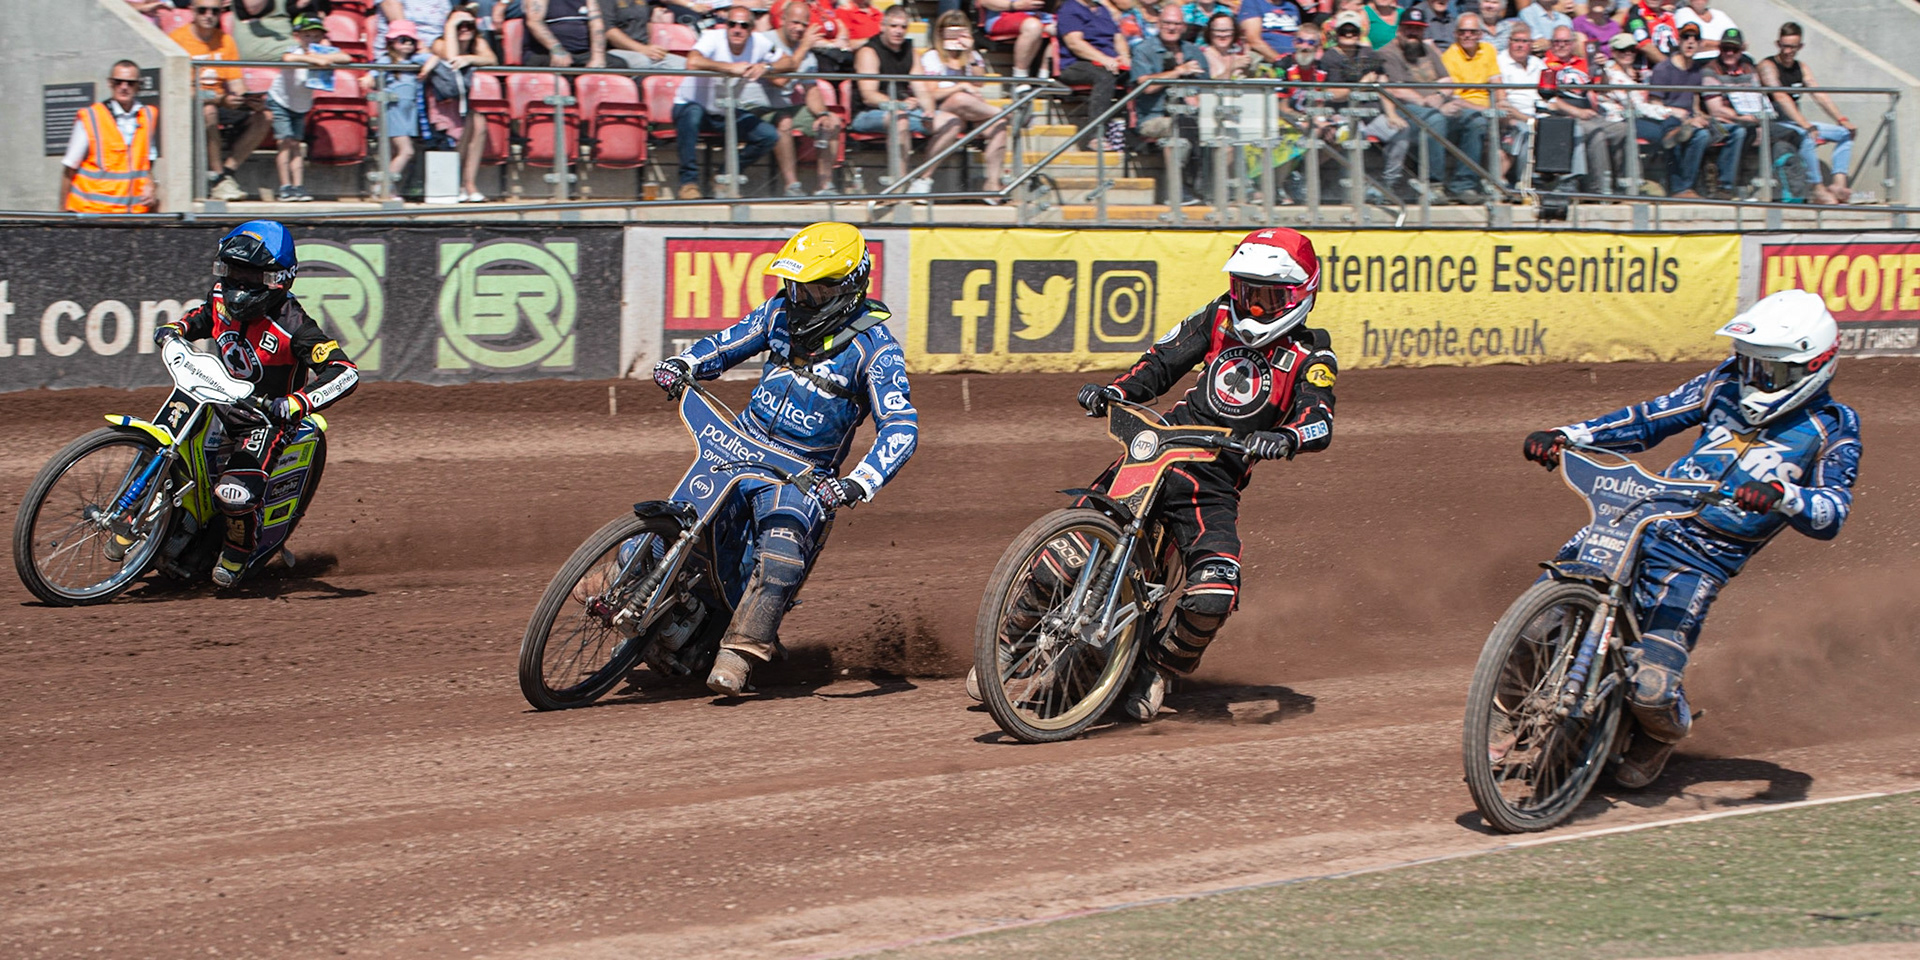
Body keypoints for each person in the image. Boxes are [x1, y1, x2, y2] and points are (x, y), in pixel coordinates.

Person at [1521, 288, 1859, 787]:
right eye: (1748, 363)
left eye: (1768, 370)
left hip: (1700, 558)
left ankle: (1661, 733)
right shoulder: (1722, 383)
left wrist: (1783, 496)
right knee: (1535, 624)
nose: (1752, 378)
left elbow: (1832, 510)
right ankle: (1518, 716)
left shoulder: (1833, 427)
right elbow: (1650, 417)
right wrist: (1569, 435)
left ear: (1813, 366)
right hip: (1640, 512)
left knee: (1651, 688)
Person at [1057, 228, 1337, 720]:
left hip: (1213, 481)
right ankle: (1009, 642)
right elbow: (1162, 361)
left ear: (1299, 296)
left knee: (1215, 590)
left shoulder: (1313, 353)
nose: (1253, 304)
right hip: (1156, 448)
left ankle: (1157, 669)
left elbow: (1319, 418)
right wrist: (1117, 392)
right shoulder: (1219, 315)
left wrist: (1286, 437)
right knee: (1063, 548)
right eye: (1246, 290)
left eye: (1268, 295)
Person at [650, 222, 918, 697]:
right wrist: (685, 363)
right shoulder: (778, 313)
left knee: (781, 551)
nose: (799, 300)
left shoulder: (877, 352)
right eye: (794, 286)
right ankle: (624, 588)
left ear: (847, 288)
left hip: (800, 475)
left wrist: (859, 482)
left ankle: (741, 651)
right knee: (669, 527)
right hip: (738, 444)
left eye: (812, 290)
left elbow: (901, 428)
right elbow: (728, 341)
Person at [150, 221, 361, 587]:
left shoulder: (295, 326)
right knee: (164, 448)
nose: (238, 284)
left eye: (251, 275)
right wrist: (177, 329)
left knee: (235, 493)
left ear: (279, 279)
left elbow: (345, 372)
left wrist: (294, 403)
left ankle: (236, 553)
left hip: (264, 420)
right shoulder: (219, 297)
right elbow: (203, 318)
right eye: (233, 271)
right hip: (213, 402)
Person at [673, 8, 784, 200]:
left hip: (725, 111)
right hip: (691, 105)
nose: (737, 29)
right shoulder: (712, 37)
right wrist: (728, 68)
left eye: (743, 25)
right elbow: (692, 62)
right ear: (726, 26)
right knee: (691, 116)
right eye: (732, 24)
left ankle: (723, 176)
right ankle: (688, 182)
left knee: (768, 136)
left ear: (751, 29)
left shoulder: (760, 42)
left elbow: (788, 62)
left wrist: (767, 67)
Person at [1380, 6, 1485, 204]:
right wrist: (1428, 102)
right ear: (1399, 29)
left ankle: (1464, 185)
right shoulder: (1388, 52)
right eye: (1409, 28)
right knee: (1435, 120)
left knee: (1475, 119)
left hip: (1437, 105)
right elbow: (1395, 89)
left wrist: (1438, 96)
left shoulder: (1427, 49)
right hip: (1404, 110)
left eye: (1418, 29)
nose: (1413, 33)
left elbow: (1448, 81)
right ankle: (1433, 185)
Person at [171, 1, 272, 202]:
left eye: (214, 11)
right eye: (202, 10)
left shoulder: (226, 40)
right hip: (190, 105)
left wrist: (248, 100)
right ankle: (217, 180)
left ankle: (225, 173)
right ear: (192, 11)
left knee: (265, 116)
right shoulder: (177, 40)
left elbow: (236, 84)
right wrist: (219, 99)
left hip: (220, 101)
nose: (208, 15)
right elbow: (180, 89)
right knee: (209, 109)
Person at [1760, 22, 1854, 204]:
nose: (1788, 51)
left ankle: (1838, 184)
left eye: (1792, 47)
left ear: (1800, 47)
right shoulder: (1768, 65)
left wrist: (1841, 119)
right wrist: (1806, 125)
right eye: (1784, 46)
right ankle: (1817, 188)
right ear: (1777, 44)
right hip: (1773, 123)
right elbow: (1780, 97)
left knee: (1845, 133)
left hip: (1794, 121)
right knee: (1806, 135)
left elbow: (1818, 94)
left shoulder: (1801, 67)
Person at [922, 10, 1010, 199]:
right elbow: (932, 93)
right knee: (959, 98)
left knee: (999, 127)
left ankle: (992, 185)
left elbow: (980, 82)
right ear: (941, 33)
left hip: (971, 110)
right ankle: (1008, 113)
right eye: (951, 32)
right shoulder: (932, 57)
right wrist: (960, 86)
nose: (956, 38)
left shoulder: (970, 56)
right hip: (944, 108)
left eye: (960, 32)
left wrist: (969, 53)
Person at [761, 2, 846, 196]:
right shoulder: (765, 42)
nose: (799, 28)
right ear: (782, 20)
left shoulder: (806, 54)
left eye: (803, 25)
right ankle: (792, 186)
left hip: (783, 106)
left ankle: (825, 186)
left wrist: (822, 114)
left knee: (831, 122)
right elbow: (779, 81)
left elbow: (811, 90)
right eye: (794, 22)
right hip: (756, 106)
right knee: (784, 121)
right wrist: (805, 46)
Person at [267, 14, 351, 202]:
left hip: (301, 105)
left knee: (297, 145)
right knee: (285, 142)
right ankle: (285, 186)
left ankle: (298, 186)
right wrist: (314, 60)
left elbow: (345, 57)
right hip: (281, 101)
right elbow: (287, 58)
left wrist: (324, 58)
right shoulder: (294, 50)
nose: (312, 40)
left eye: (316, 36)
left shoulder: (324, 51)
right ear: (298, 36)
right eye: (307, 36)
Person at [852, 5, 935, 192]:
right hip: (867, 114)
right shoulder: (869, 51)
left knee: (952, 122)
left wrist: (929, 111)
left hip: (902, 110)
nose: (899, 31)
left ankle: (922, 180)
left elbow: (921, 89)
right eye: (894, 26)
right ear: (883, 26)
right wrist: (899, 104)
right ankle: (899, 185)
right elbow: (868, 96)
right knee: (900, 119)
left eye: (903, 27)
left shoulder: (910, 52)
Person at [1133, 3, 1210, 205]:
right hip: (1155, 117)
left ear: (1184, 27)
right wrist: (1178, 71)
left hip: (1193, 116)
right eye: (1167, 22)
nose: (1171, 27)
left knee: (1221, 134)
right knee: (1179, 131)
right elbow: (1145, 86)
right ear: (1158, 23)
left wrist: (1197, 97)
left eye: (1176, 23)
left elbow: (1208, 88)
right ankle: (1178, 191)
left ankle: (1218, 188)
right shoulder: (1144, 49)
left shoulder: (1194, 52)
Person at [62, 61, 159, 214]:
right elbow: (69, 169)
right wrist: (61, 216)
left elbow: (147, 163)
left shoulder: (148, 116)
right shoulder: (91, 117)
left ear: (139, 85)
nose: (124, 87)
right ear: (110, 83)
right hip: (94, 214)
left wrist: (151, 183)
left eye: (130, 83)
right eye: (118, 82)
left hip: (133, 216)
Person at [428, 10, 499, 203]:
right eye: (460, 25)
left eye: (469, 24)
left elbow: (492, 59)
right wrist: (451, 26)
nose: (465, 28)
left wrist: (470, 58)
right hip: (444, 102)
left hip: (465, 101)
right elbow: (451, 57)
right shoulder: (439, 43)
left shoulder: (478, 43)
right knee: (462, 132)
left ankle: (469, 184)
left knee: (480, 126)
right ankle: (456, 183)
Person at [362, 19, 429, 191]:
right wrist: (370, 79)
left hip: (409, 113)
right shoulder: (386, 60)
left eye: (411, 40)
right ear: (392, 42)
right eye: (402, 39)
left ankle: (389, 188)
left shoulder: (415, 60)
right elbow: (370, 77)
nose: (407, 44)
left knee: (395, 152)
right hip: (393, 110)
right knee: (407, 151)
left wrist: (426, 68)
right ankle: (383, 186)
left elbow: (434, 58)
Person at [1645, 23, 1711, 198]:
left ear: (1700, 43)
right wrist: (1678, 114)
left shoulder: (1697, 71)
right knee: (1680, 133)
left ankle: (1723, 187)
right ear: (1678, 41)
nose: (1690, 42)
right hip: (1668, 117)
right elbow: (1654, 104)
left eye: (1695, 39)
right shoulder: (1663, 69)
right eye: (1685, 38)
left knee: (1734, 132)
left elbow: (1695, 103)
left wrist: (1703, 117)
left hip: (1689, 120)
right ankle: (1681, 188)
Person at [1058, 0, 1129, 153]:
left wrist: (1124, 56)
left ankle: (1134, 128)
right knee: (1104, 76)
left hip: (1110, 62)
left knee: (1139, 74)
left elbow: (1117, 37)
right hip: (1076, 64)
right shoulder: (1070, 8)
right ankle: (1095, 135)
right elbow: (1074, 43)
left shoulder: (1102, 10)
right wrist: (1103, 59)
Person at [1495, 21, 1542, 180]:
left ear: (1531, 44)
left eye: (1524, 41)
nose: (1520, 45)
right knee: (1524, 130)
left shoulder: (1537, 64)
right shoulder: (1500, 62)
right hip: (1514, 116)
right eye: (1516, 41)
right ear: (1509, 42)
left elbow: (1550, 98)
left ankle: (1565, 182)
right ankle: (1523, 182)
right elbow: (1502, 103)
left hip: (1539, 112)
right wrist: (1529, 119)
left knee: (1569, 127)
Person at [976, 0, 1053, 81]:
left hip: (1040, 16)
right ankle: (1020, 78)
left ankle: (1044, 76)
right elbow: (985, 2)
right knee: (1033, 26)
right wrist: (1016, 5)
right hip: (1002, 17)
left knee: (1058, 27)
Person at [235, 0, 331, 63]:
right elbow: (253, 8)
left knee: (324, 49)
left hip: (287, 40)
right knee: (306, 53)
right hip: (258, 41)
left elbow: (301, 12)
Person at [603, 0, 685, 69]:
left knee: (683, 64)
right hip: (616, 51)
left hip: (645, 49)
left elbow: (647, 22)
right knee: (642, 62)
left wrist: (652, 48)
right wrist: (642, 49)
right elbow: (609, 31)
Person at [523, 0, 607, 67]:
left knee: (616, 65)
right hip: (547, 52)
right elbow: (534, 22)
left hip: (583, 53)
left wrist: (598, 56)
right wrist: (557, 50)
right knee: (563, 70)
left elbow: (596, 23)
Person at [1236, 0, 1304, 63]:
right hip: (1265, 61)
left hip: (1293, 62)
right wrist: (1279, 59)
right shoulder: (1253, 3)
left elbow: (1298, 38)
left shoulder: (1292, 7)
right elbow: (1253, 40)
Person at [1201, 10, 1253, 80]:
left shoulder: (1238, 55)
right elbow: (1211, 86)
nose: (1223, 35)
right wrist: (1232, 68)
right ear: (1210, 32)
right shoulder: (1203, 56)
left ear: (1234, 32)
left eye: (1227, 30)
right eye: (1218, 30)